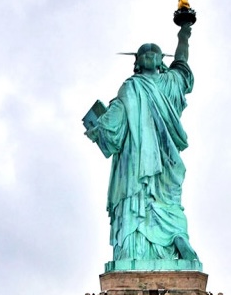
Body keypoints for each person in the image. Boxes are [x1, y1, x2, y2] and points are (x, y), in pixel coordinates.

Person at [84, 24, 200, 267]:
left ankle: (172, 239)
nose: (149, 55)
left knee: (165, 200)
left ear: (160, 60)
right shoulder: (131, 87)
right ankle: (148, 245)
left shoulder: (167, 83)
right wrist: (101, 126)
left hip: (161, 158)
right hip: (138, 157)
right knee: (150, 199)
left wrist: (184, 33)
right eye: (144, 53)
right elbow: (114, 123)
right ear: (137, 61)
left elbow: (182, 63)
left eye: (153, 52)